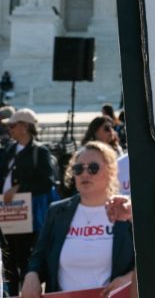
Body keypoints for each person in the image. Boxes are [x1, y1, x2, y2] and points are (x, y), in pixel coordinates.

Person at [21, 142, 135, 297]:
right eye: (78, 169)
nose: (85, 174)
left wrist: (129, 279)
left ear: (111, 171)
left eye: (93, 168)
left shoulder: (125, 211)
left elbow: (151, 257)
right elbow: (39, 256)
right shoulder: (57, 211)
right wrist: (31, 275)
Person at [0, 108, 56, 296]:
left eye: (12, 125)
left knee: (25, 259)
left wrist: (19, 188)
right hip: (5, 214)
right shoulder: (7, 150)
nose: (9, 129)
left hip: (26, 215)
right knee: (7, 260)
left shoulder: (39, 152)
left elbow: (46, 182)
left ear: (24, 127)